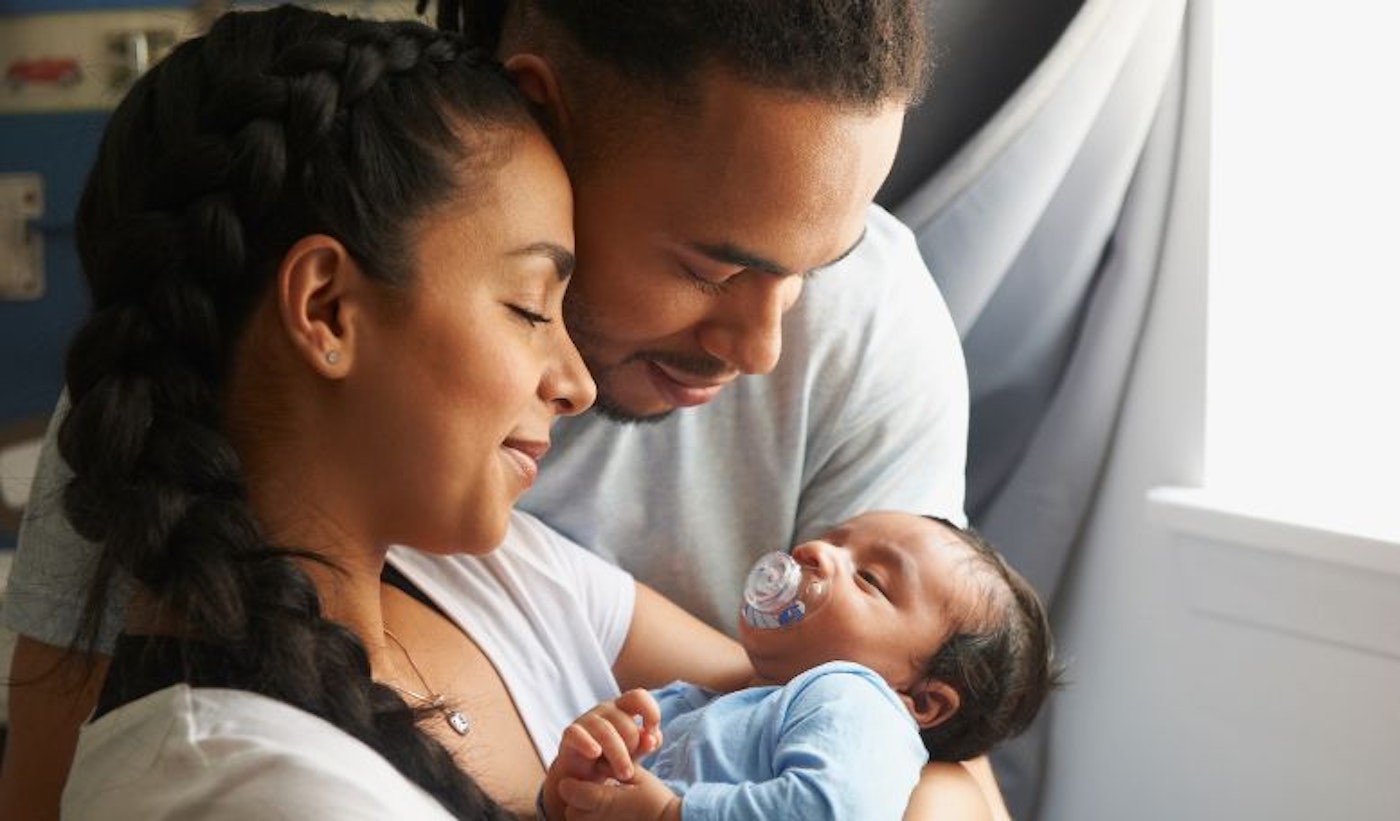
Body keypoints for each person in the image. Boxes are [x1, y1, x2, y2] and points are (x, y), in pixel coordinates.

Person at [2, 1, 997, 818]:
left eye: (817, 269)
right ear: (543, 125)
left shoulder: (521, 574)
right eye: (711, 264)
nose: (764, 345)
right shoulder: (199, 375)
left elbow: (931, 738)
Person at [32, 6, 623, 817]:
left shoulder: (450, 610)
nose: (577, 382)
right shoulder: (247, 790)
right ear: (329, 309)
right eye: (529, 306)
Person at [540, 512, 1061, 821]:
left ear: (920, 699)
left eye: (870, 580)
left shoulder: (857, 701)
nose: (814, 551)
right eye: (835, 539)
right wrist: (577, 784)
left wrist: (671, 814)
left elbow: (830, 811)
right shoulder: (700, 700)